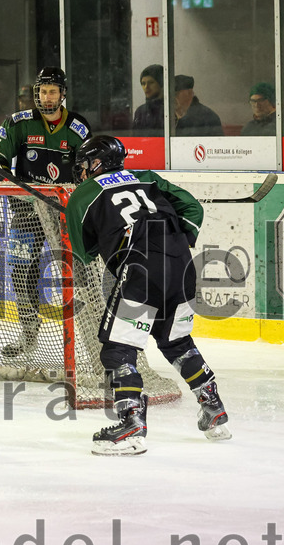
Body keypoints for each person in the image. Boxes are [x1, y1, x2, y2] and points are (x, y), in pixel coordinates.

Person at [66, 135, 231, 456]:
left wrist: (104, 229)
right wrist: (171, 242)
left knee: (117, 349)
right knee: (176, 342)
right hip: (182, 265)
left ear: (96, 164)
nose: (82, 171)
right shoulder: (147, 178)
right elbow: (191, 208)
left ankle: (131, 424)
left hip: (140, 270)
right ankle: (214, 409)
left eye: (85, 165)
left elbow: (84, 253)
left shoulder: (82, 195)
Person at [0, 66, 91, 357]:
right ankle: (29, 333)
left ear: (62, 94)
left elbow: (89, 170)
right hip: (26, 212)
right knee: (21, 271)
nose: (47, 97)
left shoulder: (77, 129)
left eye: (53, 91)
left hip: (64, 214)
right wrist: (8, 179)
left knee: (79, 274)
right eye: (43, 91)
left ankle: (93, 337)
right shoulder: (19, 123)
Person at [131, 64, 164, 136]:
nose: (146, 87)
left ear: (161, 84)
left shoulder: (171, 109)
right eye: (143, 83)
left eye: (151, 82)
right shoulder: (140, 111)